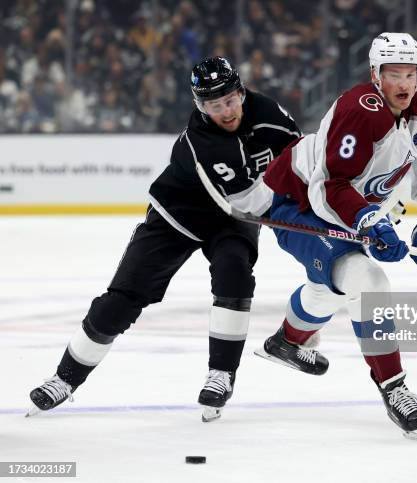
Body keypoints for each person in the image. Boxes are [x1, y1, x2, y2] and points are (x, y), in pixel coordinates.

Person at [27, 56, 301, 421]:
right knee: (122, 300)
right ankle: (65, 378)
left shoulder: (268, 111)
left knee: (234, 274)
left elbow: (301, 158)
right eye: (214, 105)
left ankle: (221, 374)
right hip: (179, 214)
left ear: (241, 91)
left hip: (231, 218)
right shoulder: (203, 143)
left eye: (230, 100)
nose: (226, 111)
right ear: (200, 106)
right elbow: (252, 203)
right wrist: (295, 212)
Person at [254, 33, 417, 441]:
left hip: (346, 206)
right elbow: (328, 186)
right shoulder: (359, 110)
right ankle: (394, 387)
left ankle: (285, 343)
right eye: (392, 73)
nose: (403, 83)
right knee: (368, 281)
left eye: (411, 73)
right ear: (375, 76)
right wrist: (367, 220)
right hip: (298, 202)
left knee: (337, 283)